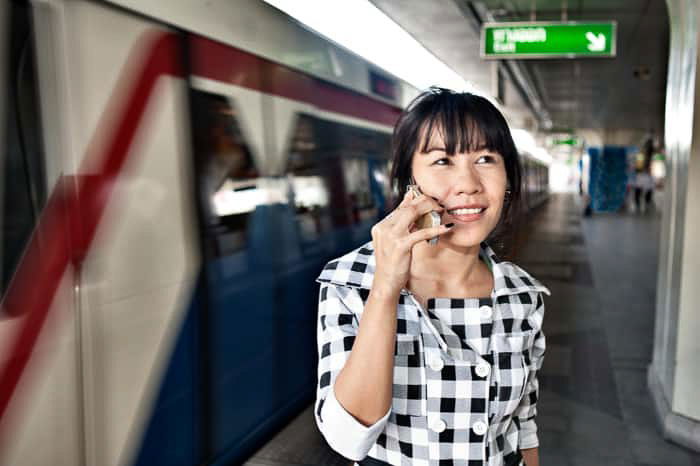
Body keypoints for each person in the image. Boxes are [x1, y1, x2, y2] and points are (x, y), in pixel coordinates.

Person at [313, 88, 550, 466]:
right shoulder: (351, 282)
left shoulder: (522, 294)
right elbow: (348, 438)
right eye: (442, 161)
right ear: (410, 181)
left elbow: (524, 426)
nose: (469, 183)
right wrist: (386, 290)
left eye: (486, 158)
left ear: (508, 179)